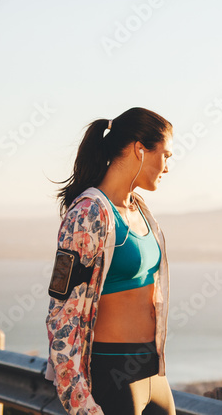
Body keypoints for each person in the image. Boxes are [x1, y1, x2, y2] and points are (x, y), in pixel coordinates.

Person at [45, 107, 175, 415]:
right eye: (166, 155)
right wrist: (79, 402)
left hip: (152, 373)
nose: (168, 167)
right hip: (112, 374)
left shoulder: (140, 210)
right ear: (139, 150)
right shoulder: (89, 213)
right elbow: (62, 316)